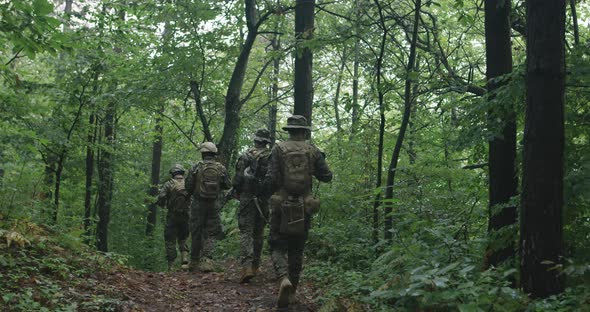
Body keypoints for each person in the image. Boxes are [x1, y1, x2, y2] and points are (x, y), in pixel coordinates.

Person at [264, 115, 332, 308]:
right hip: (305, 205)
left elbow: (270, 179)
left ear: (289, 131)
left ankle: (283, 278)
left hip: (281, 203)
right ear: (304, 131)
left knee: (276, 244)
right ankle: (292, 291)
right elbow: (327, 176)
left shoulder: (278, 149)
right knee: (297, 248)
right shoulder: (312, 150)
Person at [232, 129, 272, 283]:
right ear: (266, 142)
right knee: (259, 232)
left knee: (246, 232)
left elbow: (237, 180)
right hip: (264, 199)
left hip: (247, 198)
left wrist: (237, 191)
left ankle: (246, 267)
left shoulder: (245, 156)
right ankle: (256, 265)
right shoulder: (272, 157)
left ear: (255, 140)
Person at [185, 142, 231, 272]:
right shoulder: (221, 168)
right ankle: (207, 261)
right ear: (214, 153)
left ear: (203, 153)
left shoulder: (195, 167)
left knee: (196, 231)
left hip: (198, 204)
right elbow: (228, 184)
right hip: (214, 203)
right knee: (211, 231)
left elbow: (188, 186)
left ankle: (194, 261)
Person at [157, 164, 190, 271]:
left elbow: (161, 196)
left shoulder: (169, 184)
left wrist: (161, 203)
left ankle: (171, 266)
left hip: (172, 215)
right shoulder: (188, 183)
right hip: (186, 215)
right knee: (183, 238)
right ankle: (184, 259)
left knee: (170, 239)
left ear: (173, 174)